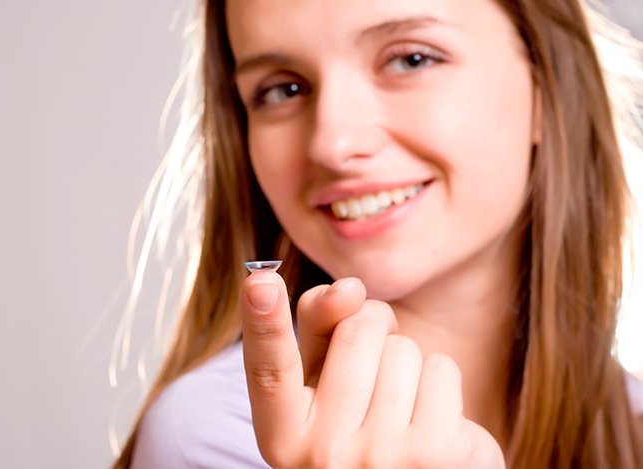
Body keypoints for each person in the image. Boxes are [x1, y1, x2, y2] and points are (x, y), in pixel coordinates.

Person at [113, 0, 643, 467]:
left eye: (411, 59)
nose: (332, 144)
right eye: (282, 89)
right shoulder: (212, 440)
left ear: (549, 87)